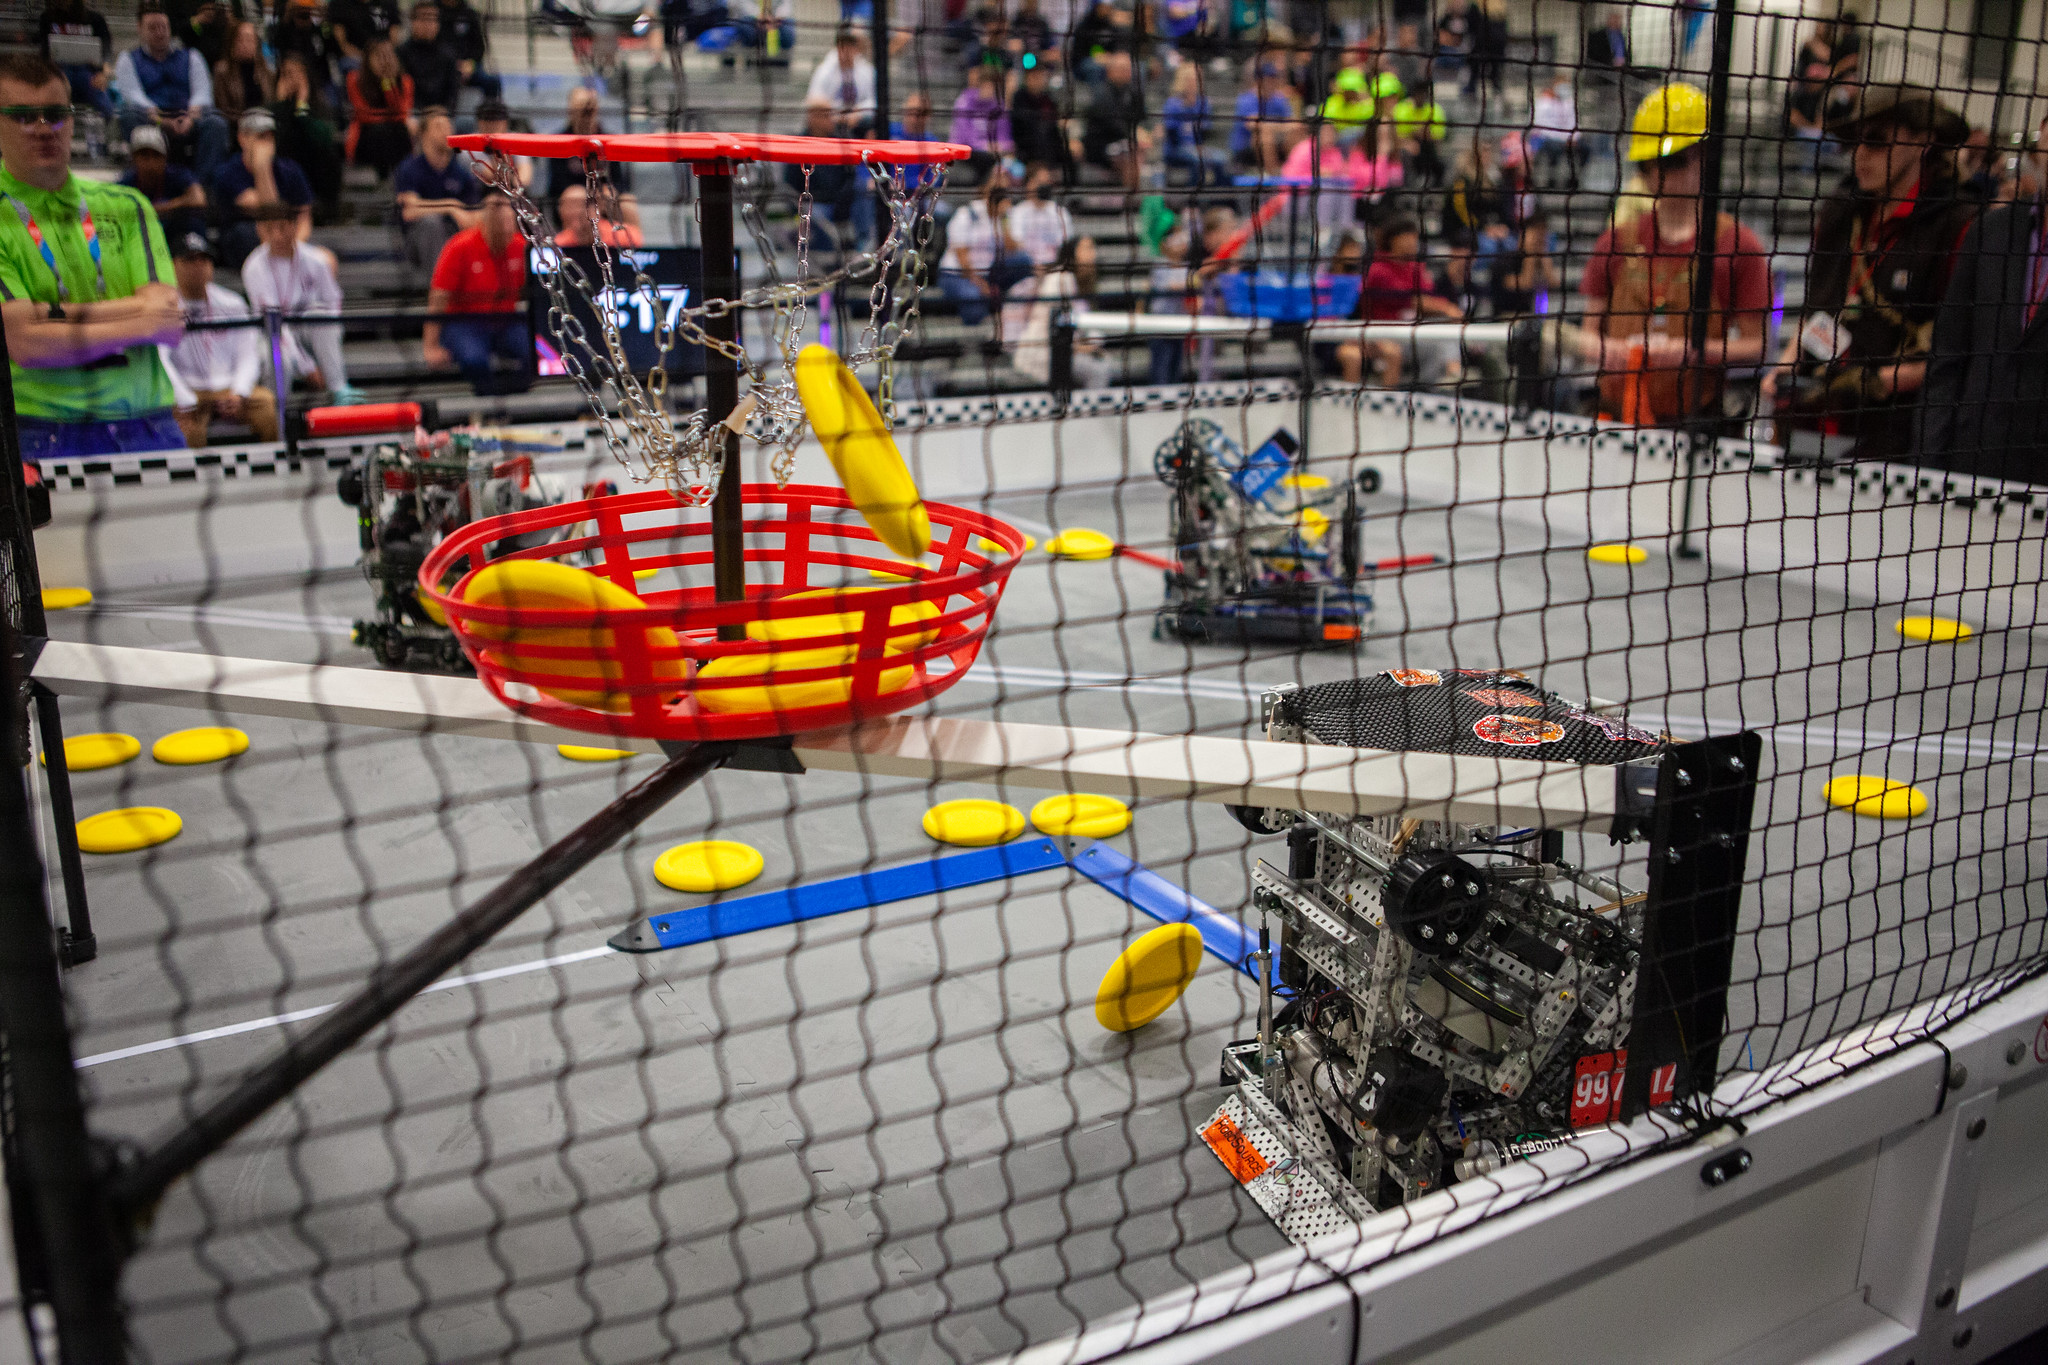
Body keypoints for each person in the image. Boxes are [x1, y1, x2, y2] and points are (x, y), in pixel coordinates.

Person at [1766, 84, 1975, 462]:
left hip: (1896, 440)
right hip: (1813, 421)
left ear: (1923, 141)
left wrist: (1877, 383)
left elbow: (1962, 353)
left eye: (1876, 141)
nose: (1860, 155)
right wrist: (1783, 368)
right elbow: (1818, 312)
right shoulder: (1839, 212)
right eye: (1855, 142)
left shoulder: (1957, 225)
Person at [0, 52, 187, 459]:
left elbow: (168, 318)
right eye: (23, 117)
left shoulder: (127, 205)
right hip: (44, 431)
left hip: (149, 424)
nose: (44, 129)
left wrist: (49, 316)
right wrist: (140, 319)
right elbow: (27, 345)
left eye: (56, 114)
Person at [1578, 83, 1771, 431]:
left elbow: (1756, 346)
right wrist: (1609, 351)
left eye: (1672, 161)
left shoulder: (1738, 245)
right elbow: (1587, 335)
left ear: (1707, 159)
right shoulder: (1616, 241)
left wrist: (1692, 352)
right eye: (1648, 165)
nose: (1658, 174)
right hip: (1612, 423)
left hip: (1695, 429)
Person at [1918, 115, 2048, 477]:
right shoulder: (1991, 231)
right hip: (1971, 464)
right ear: (2041, 138)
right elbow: (1948, 355)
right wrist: (1929, 464)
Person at [163, 232, 277, 445]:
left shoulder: (232, 303)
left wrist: (239, 391)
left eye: (204, 260)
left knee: (267, 404)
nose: (198, 266)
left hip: (227, 387)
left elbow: (248, 354)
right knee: (184, 428)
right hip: (190, 389)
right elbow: (162, 360)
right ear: (173, 265)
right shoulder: (166, 307)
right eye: (190, 260)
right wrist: (184, 398)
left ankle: (276, 462)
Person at [422, 188, 532, 395]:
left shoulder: (520, 246)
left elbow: (538, 289)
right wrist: (430, 346)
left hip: (506, 319)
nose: (507, 233)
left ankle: (518, 396)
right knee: (475, 360)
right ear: (487, 224)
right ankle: (486, 399)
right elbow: (438, 298)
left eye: (510, 225)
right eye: (501, 226)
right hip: (465, 321)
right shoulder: (459, 247)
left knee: (535, 350)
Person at [241, 200, 354, 399]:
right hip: (271, 334)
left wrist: (332, 337)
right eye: (269, 229)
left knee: (321, 316)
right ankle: (278, 409)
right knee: (279, 357)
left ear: (295, 226)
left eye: (282, 227)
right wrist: (307, 367)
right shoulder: (254, 267)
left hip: (307, 330)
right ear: (260, 230)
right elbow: (273, 323)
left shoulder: (316, 260)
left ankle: (339, 389)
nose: (277, 235)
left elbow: (333, 301)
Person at [1340, 212, 1463, 386]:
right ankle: (1449, 374)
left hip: (1408, 332)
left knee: (1441, 336)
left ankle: (1433, 386)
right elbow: (1410, 300)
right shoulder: (1378, 269)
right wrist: (1447, 308)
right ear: (1394, 240)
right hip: (1379, 334)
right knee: (1436, 338)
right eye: (1408, 237)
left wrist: (1445, 308)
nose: (1413, 242)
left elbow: (1428, 297)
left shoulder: (1415, 268)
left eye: (1415, 237)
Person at [116, 4, 231, 179]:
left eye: (164, 27)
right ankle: (144, 178)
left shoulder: (192, 56)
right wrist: (161, 120)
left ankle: (201, 185)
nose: (160, 32)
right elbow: (133, 95)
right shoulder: (128, 59)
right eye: (153, 28)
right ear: (140, 28)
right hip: (152, 119)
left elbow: (202, 93)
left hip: (188, 117)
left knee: (216, 122)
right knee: (129, 113)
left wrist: (191, 118)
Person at [212, 109, 314, 264]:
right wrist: (262, 168)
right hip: (244, 241)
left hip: (286, 240)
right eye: (260, 137)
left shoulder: (291, 170)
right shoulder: (227, 173)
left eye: (270, 137)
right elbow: (268, 213)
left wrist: (296, 247)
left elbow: (303, 218)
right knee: (244, 233)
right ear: (242, 138)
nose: (267, 143)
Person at [1006, 235, 1108, 388]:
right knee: (1098, 370)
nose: (1092, 254)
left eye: (1093, 248)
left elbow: (1089, 326)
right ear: (1072, 253)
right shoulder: (1061, 279)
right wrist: (1081, 347)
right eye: (1086, 248)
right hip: (1043, 353)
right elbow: (1053, 324)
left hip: (1066, 351)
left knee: (1105, 363)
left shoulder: (1085, 283)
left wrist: (1091, 345)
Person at [394, 105, 481, 271]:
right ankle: (439, 283)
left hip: (453, 233)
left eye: (448, 126)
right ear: (423, 134)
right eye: (439, 127)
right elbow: (409, 211)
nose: (446, 132)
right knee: (431, 222)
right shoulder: (410, 169)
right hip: (418, 240)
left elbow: (474, 210)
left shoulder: (460, 171)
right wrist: (451, 206)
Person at [939, 173, 1030, 327]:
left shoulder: (1006, 215)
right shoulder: (967, 214)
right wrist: (983, 286)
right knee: (974, 301)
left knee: (1023, 261)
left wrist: (1002, 219)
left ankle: (1001, 303)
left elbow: (1013, 250)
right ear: (985, 191)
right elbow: (962, 259)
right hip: (958, 275)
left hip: (988, 272)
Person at [786, 99, 870, 247]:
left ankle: (863, 244)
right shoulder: (798, 145)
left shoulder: (841, 142)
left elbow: (850, 176)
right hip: (814, 203)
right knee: (814, 215)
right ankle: (828, 252)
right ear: (813, 118)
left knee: (863, 191)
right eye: (826, 116)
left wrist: (842, 198)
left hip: (841, 201)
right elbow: (791, 184)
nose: (832, 119)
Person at [271, 51, 342, 218]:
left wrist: (301, 106)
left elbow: (322, 136)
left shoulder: (319, 103)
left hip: (313, 163)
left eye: (298, 73)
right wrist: (281, 104)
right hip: (284, 159)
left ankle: (323, 207)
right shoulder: (274, 106)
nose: (294, 79)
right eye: (288, 73)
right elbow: (275, 134)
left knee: (327, 153)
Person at [544, 87, 635, 210]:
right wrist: (589, 194)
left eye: (589, 110)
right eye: (581, 110)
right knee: (575, 196)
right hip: (574, 199)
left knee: (628, 203)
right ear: (570, 111)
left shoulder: (608, 140)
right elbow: (557, 184)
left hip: (604, 198)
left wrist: (610, 190)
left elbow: (619, 181)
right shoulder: (559, 141)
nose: (585, 116)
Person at [119, 125, 206, 240]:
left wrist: (158, 209)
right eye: (144, 156)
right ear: (134, 158)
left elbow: (198, 199)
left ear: (165, 158)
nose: (150, 163)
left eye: (156, 156)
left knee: (193, 222)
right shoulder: (126, 183)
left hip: (175, 235)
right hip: (140, 237)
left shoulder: (178, 174)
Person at [345, 36, 414, 176]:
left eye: (388, 55)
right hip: (366, 135)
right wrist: (389, 118)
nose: (384, 61)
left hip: (395, 133)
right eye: (378, 55)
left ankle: (401, 177)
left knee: (400, 130)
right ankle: (385, 179)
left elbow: (401, 114)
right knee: (380, 130)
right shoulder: (354, 79)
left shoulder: (405, 81)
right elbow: (363, 114)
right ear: (368, 58)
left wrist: (388, 82)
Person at [1081, 48, 1147, 190]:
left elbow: (1142, 118)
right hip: (1101, 147)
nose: (1126, 72)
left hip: (1125, 142)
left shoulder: (1133, 92)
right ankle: (1130, 197)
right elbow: (1114, 125)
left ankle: (1136, 194)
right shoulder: (1101, 94)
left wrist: (1146, 132)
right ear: (1110, 71)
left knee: (1137, 150)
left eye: (1128, 69)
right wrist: (1135, 134)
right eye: (1122, 69)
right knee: (1130, 155)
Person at [36, 0, 114, 119]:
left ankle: (105, 124)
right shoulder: (47, 18)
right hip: (59, 71)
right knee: (54, 92)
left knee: (105, 105)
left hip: (89, 72)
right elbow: (45, 54)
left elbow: (106, 52)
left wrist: (103, 74)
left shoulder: (96, 19)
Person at [1161, 63, 1224, 187]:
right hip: (1176, 149)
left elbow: (1205, 132)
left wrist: (1199, 147)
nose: (1194, 83)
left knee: (1221, 159)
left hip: (1198, 148)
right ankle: (1193, 195)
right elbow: (1171, 133)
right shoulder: (1173, 103)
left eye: (1197, 80)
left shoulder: (1203, 103)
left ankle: (1217, 195)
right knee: (1197, 160)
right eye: (1190, 80)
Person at [806, 26, 875, 135]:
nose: (846, 50)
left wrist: (858, 113)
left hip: (859, 121)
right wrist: (836, 114)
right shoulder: (825, 70)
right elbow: (814, 99)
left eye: (850, 45)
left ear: (856, 48)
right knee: (818, 118)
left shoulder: (866, 70)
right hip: (832, 120)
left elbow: (873, 100)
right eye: (843, 45)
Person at [1009, 163, 1080, 267]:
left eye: (1046, 182)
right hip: (1026, 267)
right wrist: (1034, 265)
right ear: (1029, 184)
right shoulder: (1018, 212)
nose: (1043, 186)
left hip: (1055, 266)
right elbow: (1017, 243)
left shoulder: (1060, 212)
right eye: (1039, 182)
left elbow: (1065, 243)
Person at [1231, 59, 1294, 172]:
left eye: (1273, 79)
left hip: (1277, 143)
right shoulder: (1246, 99)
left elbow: (1290, 123)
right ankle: (1273, 175)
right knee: (1265, 134)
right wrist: (1276, 125)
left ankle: (1294, 171)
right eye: (1267, 80)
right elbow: (1252, 124)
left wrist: (1269, 124)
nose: (1271, 83)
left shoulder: (1279, 99)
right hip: (1246, 149)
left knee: (1296, 131)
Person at [398, 3, 461, 112]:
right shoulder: (401, 53)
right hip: (412, 111)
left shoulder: (448, 53)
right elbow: (401, 89)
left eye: (432, 20)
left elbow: (453, 90)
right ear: (412, 22)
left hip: (442, 112)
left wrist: (443, 110)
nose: (428, 24)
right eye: (423, 19)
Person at [949, 62, 1012, 170]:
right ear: (980, 84)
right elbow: (967, 139)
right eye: (988, 84)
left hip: (993, 153)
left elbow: (1005, 138)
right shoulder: (964, 103)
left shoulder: (999, 106)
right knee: (988, 161)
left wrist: (999, 146)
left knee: (1013, 167)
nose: (990, 89)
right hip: (965, 153)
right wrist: (987, 146)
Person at [211, 18, 271, 126]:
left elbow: (271, 102)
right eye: (241, 39)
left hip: (264, 124)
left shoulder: (265, 69)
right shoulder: (222, 70)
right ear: (232, 43)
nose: (245, 44)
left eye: (250, 39)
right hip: (237, 125)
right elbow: (223, 109)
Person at [435, 0, 499, 102]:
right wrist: (451, 64)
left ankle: (490, 110)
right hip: (440, 66)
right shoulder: (433, 13)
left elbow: (479, 47)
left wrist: (470, 64)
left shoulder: (469, 14)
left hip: (467, 66)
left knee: (492, 82)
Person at [1010, 61, 1066, 176]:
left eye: (1041, 77)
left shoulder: (1049, 98)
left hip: (1050, 150)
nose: (1039, 81)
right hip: (1026, 150)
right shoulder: (1019, 98)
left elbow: (1054, 128)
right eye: (1035, 77)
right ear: (1027, 79)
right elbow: (1022, 127)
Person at [272, 0, 336, 99]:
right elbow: (277, 41)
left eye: (307, 9)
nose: (304, 12)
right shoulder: (286, 31)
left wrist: (325, 18)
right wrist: (287, 14)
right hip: (295, 80)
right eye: (301, 9)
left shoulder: (318, 31)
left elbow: (331, 45)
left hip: (320, 80)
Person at [554, 182, 641, 247]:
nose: (574, 212)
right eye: (569, 207)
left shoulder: (625, 235)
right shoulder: (561, 241)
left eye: (579, 206)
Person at [328, 0, 401, 70]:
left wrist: (382, 56)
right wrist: (366, 59)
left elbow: (394, 36)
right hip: (355, 57)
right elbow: (342, 43)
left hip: (385, 53)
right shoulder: (339, 4)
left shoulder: (387, 3)